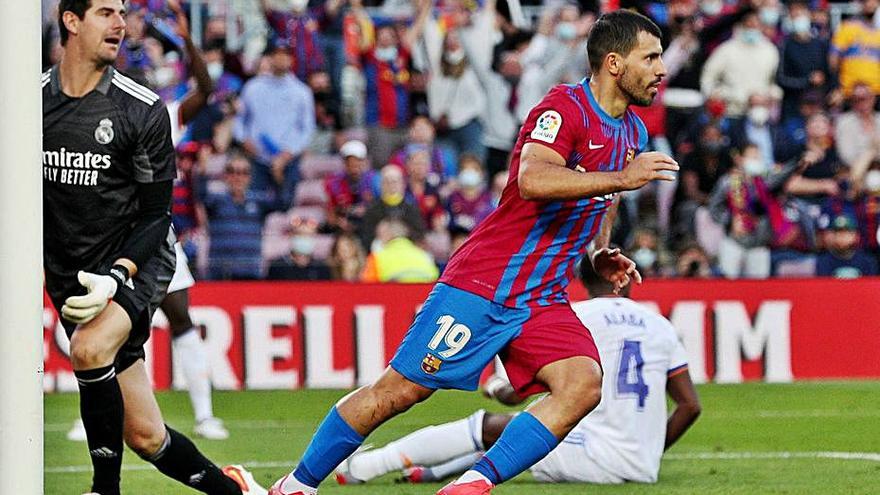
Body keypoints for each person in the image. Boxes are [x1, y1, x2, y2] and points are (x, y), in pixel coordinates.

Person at [268, 10, 677, 495]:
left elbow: (599, 202)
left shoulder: (631, 133)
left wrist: (597, 251)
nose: (660, 69)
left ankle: (471, 485)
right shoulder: (563, 109)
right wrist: (622, 178)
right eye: (650, 57)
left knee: (582, 383)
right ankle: (296, 485)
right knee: (399, 392)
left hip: (542, 297)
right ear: (614, 63)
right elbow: (533, 179)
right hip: (486, 282)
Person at [42, 1, 264, 494]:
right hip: (69, 272)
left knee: (88, 347)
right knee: (146, 436)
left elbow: (155, 215)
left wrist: (118, 274)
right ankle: (236, 491)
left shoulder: (141, 109)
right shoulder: (28, 105)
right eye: (105, 12)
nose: (120, 23)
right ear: (71, 21)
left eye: (122, 12)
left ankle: (104, 490)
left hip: (139, 260)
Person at [334, 255, 701, 485]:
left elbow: (516, 393)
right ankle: (430, 472)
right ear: (626, 278)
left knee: (490, 426)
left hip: (596, 455)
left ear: (583, 281)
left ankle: (368, 466)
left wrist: (496, 387)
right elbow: (690, 406)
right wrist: (648, 450)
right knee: (531, 432)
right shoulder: (659, 324)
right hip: (639, 463)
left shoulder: (577, 318)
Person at [65, 0, 229, 444]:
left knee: (180, 317)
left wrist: (188, 40)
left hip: (153, 233)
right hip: (105, 235)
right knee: (95, 326)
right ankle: (93, 416)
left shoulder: (163, 116)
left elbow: (207, 86)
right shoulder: (86, 116)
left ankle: (205, 414)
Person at [360, 219, 440, 283]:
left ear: (387, 234)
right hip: (422, 301)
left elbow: (367, 288)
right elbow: (435, 280)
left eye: (380, 234)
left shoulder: (377, 258)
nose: (379, 239)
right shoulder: (424, 255)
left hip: (392, 300)